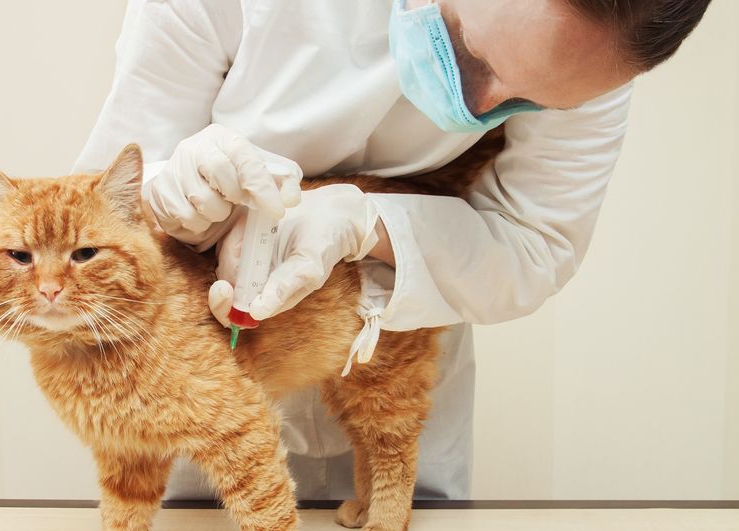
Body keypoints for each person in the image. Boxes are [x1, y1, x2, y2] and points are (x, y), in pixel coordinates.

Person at [73, 0, 712, 500]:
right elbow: (103, 196)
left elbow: (536, 246)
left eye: (532, 102)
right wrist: (173, 193)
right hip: (207, 363)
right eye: (472, 52)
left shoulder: (600, 54)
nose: (481, 108)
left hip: (397, 352)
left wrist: (367, 223)